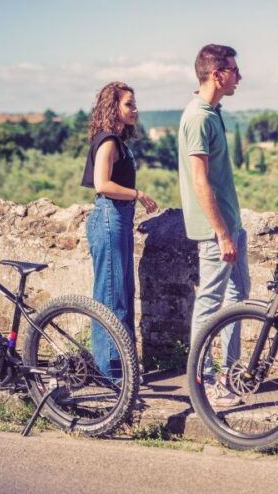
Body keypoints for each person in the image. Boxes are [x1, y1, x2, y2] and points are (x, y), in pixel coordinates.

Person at [178, 44, 250, 407]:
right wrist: (222, 233)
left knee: (238, 295)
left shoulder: (212, 112)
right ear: (216, 74)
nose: (240, 76)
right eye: (234, 70)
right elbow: (199, 181)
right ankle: (203, 382)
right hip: (215, 230)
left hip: (229, 224)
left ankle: (230, 373)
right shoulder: (199, 117)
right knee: (210, 303)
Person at [81, 81, 158, 383]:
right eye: (128, 104)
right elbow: (103, 185)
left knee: (122, 294)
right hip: (110, 218)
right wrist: (138, 194)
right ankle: (110, 377)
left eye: (134, 103)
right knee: (111, 300)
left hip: (118, 220)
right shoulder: (109, 141)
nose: (135, 109)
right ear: (113, 107)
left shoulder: (117, 141)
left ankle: (124, 372)